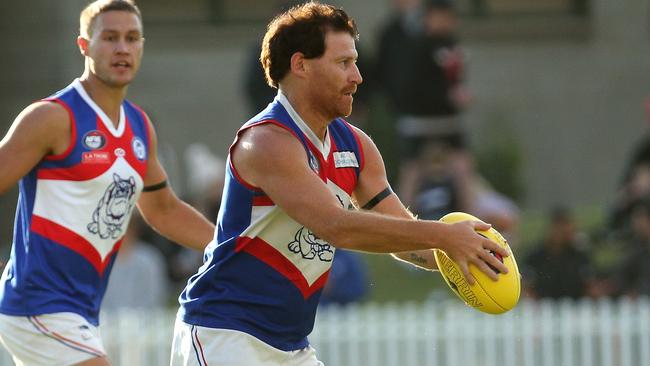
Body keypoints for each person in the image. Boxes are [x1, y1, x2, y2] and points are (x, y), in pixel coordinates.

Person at [170, 3, 509, 365]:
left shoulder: (357, 146)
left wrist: (468, 254)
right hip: (225, 334)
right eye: (343, 63)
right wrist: (444, 236)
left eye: (356, 61)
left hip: (290, 346)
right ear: (300, 65)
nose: (358, 76)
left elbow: (404, 237)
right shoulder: (267, 141)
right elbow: (335, 226)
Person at [0, 1, 215, 365]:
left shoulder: (140, 127)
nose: (122, 48)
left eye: (132, 38)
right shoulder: (51, 117)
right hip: (36, 305)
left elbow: (163, 210)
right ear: (84, 45)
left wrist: (230, 246)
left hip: (81, 311)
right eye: (110, 38)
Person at [522, 207, 593, 300]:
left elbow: (590, 285)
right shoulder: (535, 256)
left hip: (576, 308)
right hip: (542, 308)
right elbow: (526, 286)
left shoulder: (579, 255)